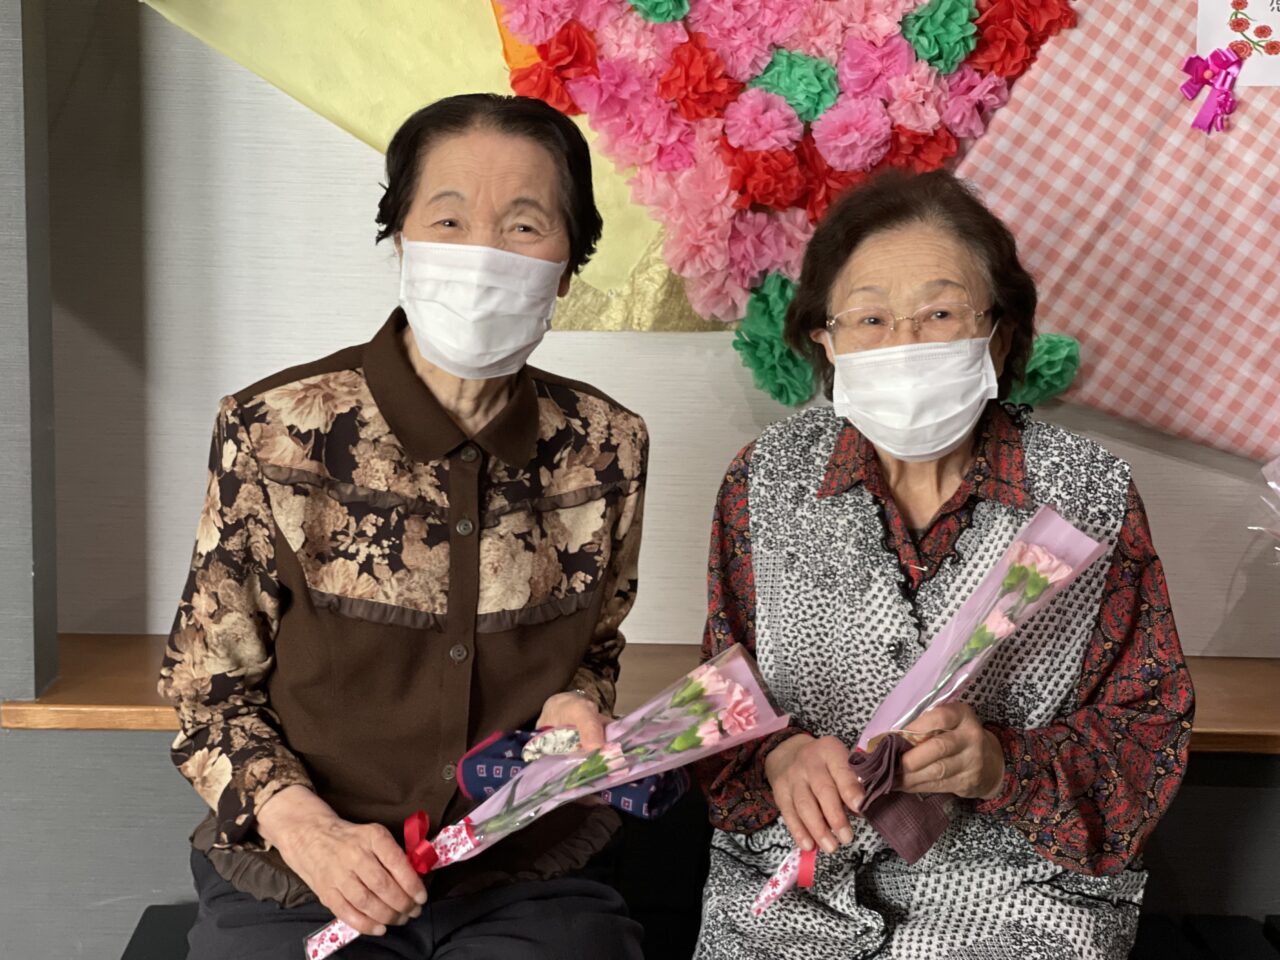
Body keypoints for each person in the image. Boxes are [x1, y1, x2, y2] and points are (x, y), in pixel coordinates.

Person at [159, 93, 647, 960]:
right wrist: (305, 828)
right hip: (301, 870)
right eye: (449, 220)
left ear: (569, 268)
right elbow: (207, 691)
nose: (483, 255)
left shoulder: (607, 445)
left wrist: (579, 702)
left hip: (521, 870)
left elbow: (595, 651)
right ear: (400, 241)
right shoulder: (274, 431)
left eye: (525, 225)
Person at [694, 170, 1194, 959]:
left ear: (998, 334)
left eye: (940, 313)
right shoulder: (764, 482)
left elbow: (1148, 731)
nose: (904, 344)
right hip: (790, 901)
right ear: (826, 341)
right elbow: (721, 699)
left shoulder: (1088, 495)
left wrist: (1002, 767)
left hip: (1021, 908)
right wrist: (778, 755)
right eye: (870, 318)